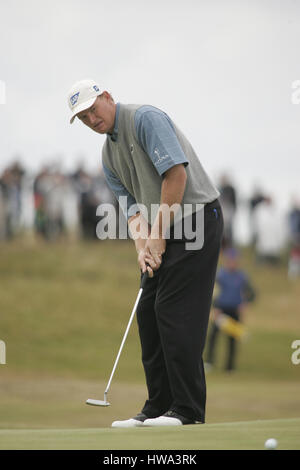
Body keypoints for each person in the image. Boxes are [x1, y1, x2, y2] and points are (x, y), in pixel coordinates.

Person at [67, 79, 223, 427]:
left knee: (172, 309)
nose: (92, 119)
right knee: (148, 312)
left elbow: (176, 176)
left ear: (108, 97)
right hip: (162, 228)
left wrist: (158, 234)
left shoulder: (145, 119)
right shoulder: (108, 156)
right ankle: (158, 406)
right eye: (83, 117)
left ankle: (187, 410)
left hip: (197, 217)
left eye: (94, 109)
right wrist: (144, 248)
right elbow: (132, 210)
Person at [205, 247, 255, 371]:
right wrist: (215, 307)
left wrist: (245, 304)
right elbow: (213, 292)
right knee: (213, 337)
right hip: (221, 311)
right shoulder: (220, 275)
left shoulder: (242, 276)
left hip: (234, 311)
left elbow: (252, 294)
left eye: (234, 260)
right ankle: (209, 362)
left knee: (232, 341)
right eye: (230, 260)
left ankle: (229, 367)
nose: (232, 262)